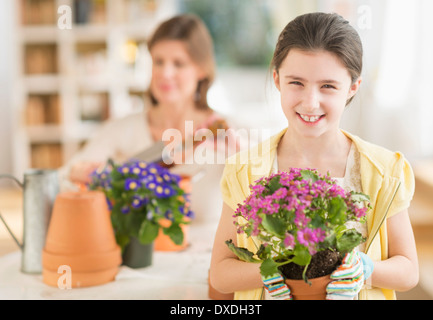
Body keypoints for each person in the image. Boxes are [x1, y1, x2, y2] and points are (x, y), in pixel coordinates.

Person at [210, 12, 418, 300]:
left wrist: (365, 268)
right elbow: (220, 274)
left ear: (353, 87)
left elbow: (408, 271)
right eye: (296, 82)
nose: (310, 102)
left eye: (328, 86)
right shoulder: (244, 170)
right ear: (277, 79)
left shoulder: (385, 170)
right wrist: (271, 271)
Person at [60, 14, 237, 225]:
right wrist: (78, 173)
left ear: (201, 70)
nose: (165, 73)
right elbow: (61, 179)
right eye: (158, 61)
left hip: (207, 256)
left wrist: (240, 158)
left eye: (178, 63)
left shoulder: (230, 132)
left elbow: (263, 196)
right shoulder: (121, 129)